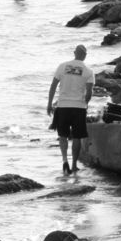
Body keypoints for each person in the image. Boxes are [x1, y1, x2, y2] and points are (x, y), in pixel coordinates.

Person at [47, 44, 95, 175]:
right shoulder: (88, 71)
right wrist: (85, 103)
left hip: (62, 106)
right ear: (85, 56)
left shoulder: (62, 66)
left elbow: (53, 86)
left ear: (74, 53)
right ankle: (74, 165)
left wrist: (49, 104)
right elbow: (89, 92)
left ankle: (64, 161)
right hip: (78, 108)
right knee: (77, 137)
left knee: (62, 135)